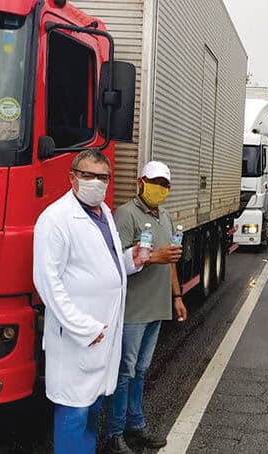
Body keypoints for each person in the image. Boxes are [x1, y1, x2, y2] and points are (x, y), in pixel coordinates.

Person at [33, 150, 144, 454]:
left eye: (102, 177)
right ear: (72, 177)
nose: (95, 182)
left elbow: (101, 265)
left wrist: (130, 261)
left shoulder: (104, 213)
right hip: (77, 337)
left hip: (102, 334)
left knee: (92, 408)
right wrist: (82, 327)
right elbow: (47, 281)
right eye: (87, 175)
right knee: (74, 411)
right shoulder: (55, 219)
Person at [103, 161, 187, 454]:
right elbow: (112, 264)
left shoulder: (164, 217)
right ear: (141, 182)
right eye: (155, 182)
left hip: (157, 307)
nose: (159, 189)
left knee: (140, 370)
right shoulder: (125, 215)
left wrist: (177, 297)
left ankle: (135, 426)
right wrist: (153, 257)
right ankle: (114, 433)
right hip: (133, 310)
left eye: (165, 184)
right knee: (124, 372)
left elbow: (171, 261)